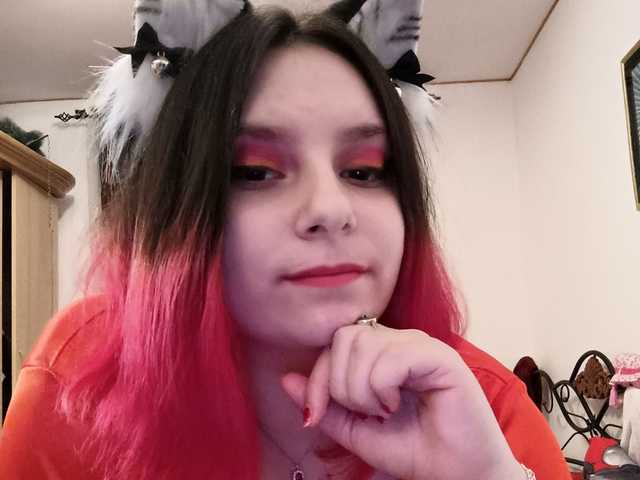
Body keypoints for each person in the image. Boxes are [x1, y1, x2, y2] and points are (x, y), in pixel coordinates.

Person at [0, 1, 571, 479]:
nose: (330, 209)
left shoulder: (485, 412)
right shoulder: (75, 388)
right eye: (255, 171)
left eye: (365, 170)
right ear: (177, 206)